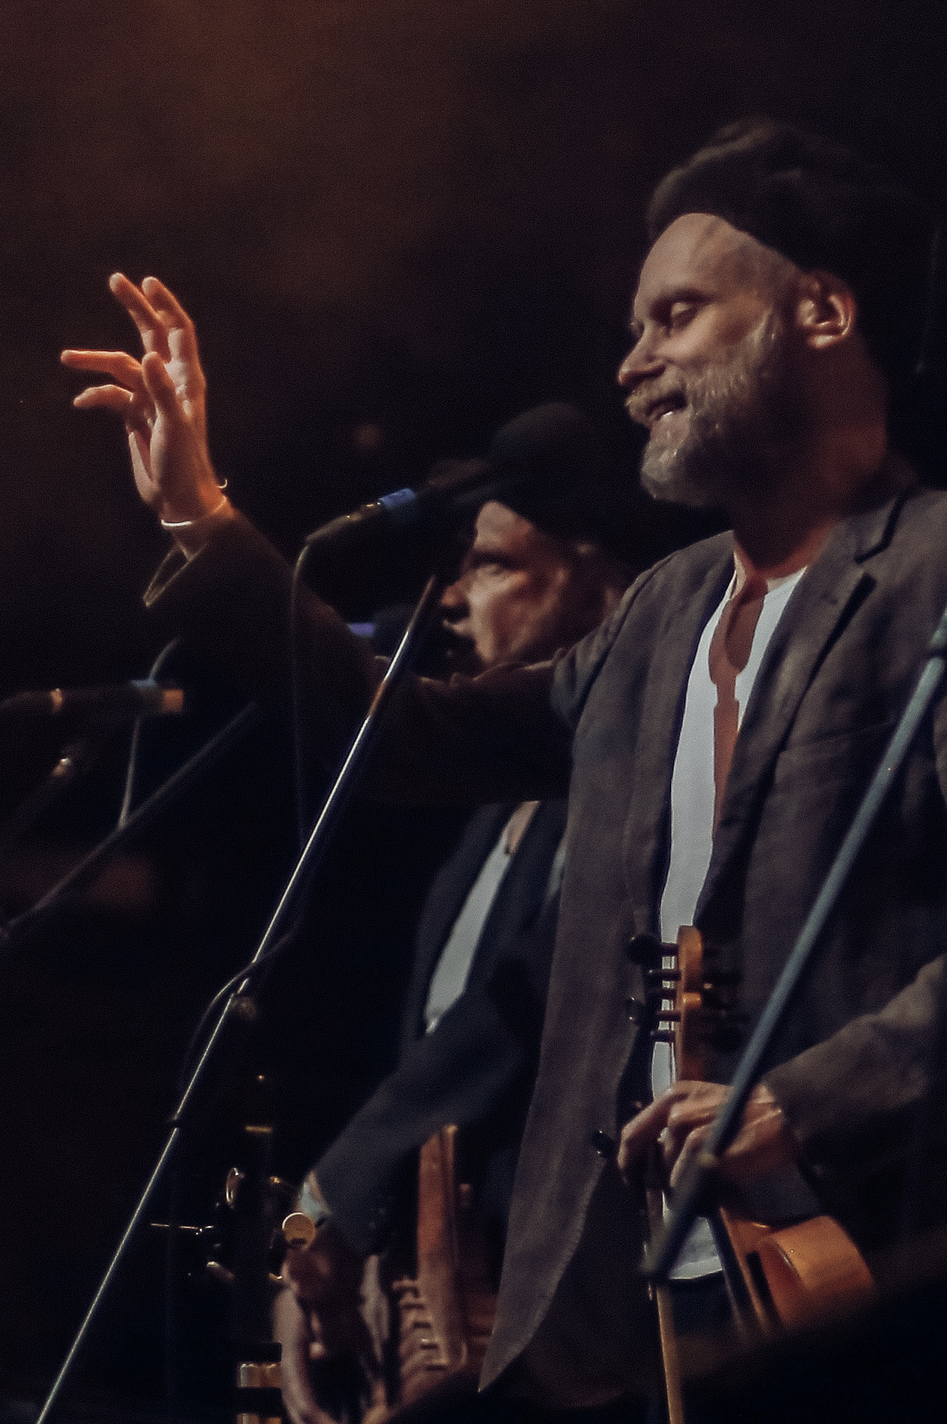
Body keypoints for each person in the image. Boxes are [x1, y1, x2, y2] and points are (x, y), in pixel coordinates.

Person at [61, 119, 947, 1409]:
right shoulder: (659, 613)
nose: (632, 366)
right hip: (591, 1316)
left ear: (817, 308)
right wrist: (205, 517)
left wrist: (798, 1098)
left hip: (835, 1273)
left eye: (675, 317)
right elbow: (401, 739)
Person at [276, 421, 664, 1423]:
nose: (450, 599)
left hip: (581, 1329)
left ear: (603, 581)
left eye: (491, 564)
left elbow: (522, 1011)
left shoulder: (644, 785)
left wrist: (333, 1192)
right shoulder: (490, 813)